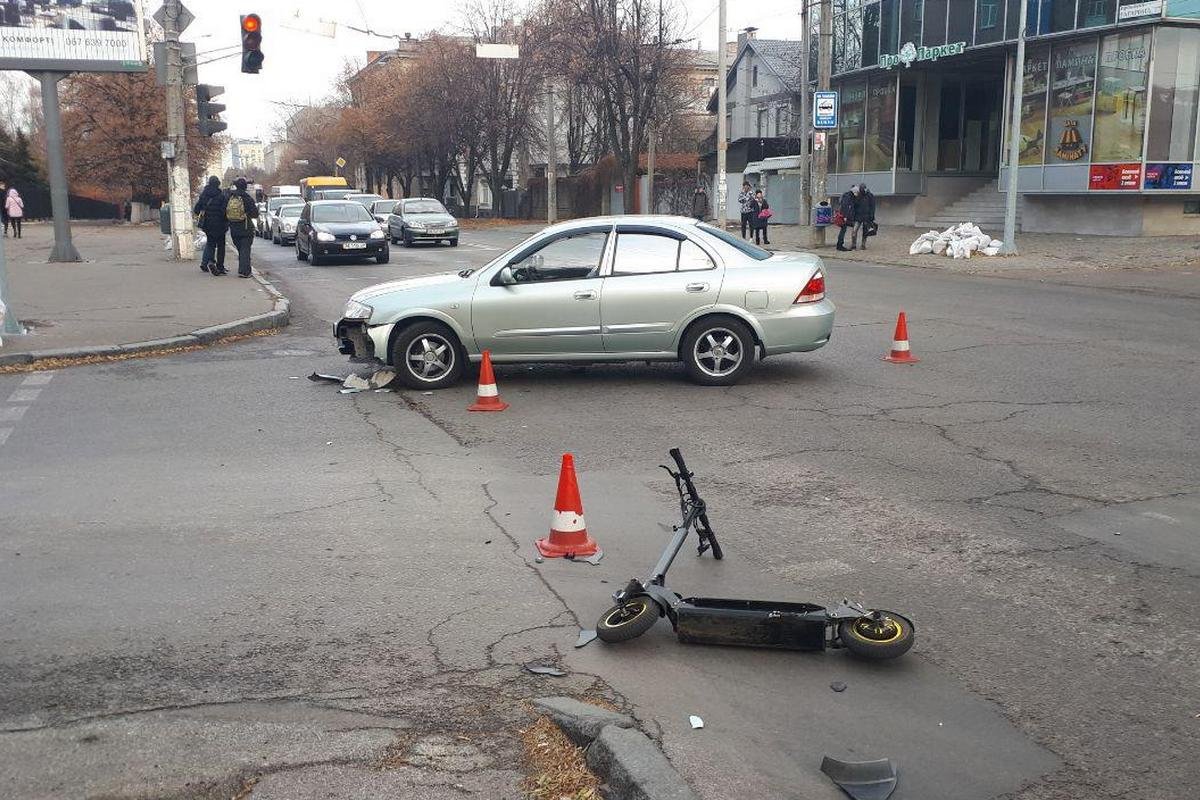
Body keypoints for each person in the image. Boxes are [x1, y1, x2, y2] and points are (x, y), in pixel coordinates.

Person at [225, 177, 259, 278]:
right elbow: (254, 214)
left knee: (241, 249)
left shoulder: (230, 197)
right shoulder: (247, 198)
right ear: (245, 187)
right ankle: (244, 271)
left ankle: (243, 269)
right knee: (245, 250)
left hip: (234, 228)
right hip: (246, 228)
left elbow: (225, 211)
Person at [193, 176, 228, 275]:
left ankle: (209, 262)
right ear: (218, 184)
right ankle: (220, 267)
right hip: (220, 224)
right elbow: (224, 211)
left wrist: (204, 212)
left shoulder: (204, 195)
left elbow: (196, 209)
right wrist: (225, 222)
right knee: (221, 246)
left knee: (211, 243)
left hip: (208, 224)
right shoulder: (221, 196)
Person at [853, 182, 876, 251]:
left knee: (865, 231)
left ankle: (863, 245)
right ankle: (854, 245)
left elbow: (872, 206)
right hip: (858, 216)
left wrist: (871, 216)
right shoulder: (858, 196)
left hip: (867, 216)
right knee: (854, 231)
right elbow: (855, 205)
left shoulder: (870, 195)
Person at [835, 184, 859, 251]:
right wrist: (845, 216)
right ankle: (839, 245)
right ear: (854, 192)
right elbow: (845, 206)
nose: (857, 194)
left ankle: (840, 244)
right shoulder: (848, 196)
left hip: (846, 216)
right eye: (857, 192)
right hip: (844, 217)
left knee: (843, 230)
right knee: (843, 230)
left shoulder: (850, 196)